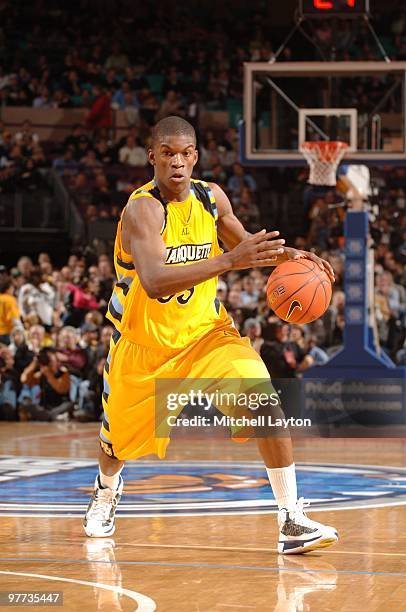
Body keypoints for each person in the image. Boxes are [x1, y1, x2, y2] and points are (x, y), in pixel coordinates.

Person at [83, 116, 338, 554]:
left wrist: (296, 256)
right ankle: (106, 491)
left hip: (206, 335)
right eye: (167, 154)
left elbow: (247, 247)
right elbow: (156, 281)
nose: (177, 162)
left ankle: (290, 519)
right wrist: (229, 261)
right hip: (146, 346)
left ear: (195, 157)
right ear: (152, 157)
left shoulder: (211, 197)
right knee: (115, 446)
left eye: (185, 154)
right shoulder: (142, 209)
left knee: (265, 403)